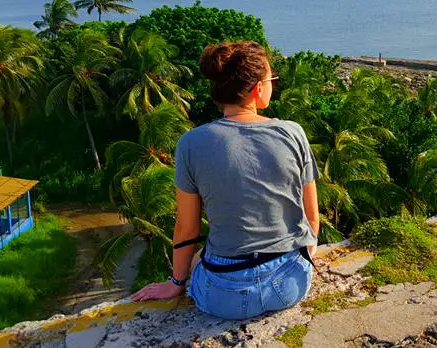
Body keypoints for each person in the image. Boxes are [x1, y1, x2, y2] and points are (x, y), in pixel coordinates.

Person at [132, 40, 320, 320]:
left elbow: (186, 228)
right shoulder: (292, 133)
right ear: (257, 88)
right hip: (289, 285)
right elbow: (311, 219)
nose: (273, 84)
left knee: (199, 259)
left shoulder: (192, 143)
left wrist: (175, 284)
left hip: (222, 295)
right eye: (272, 79)